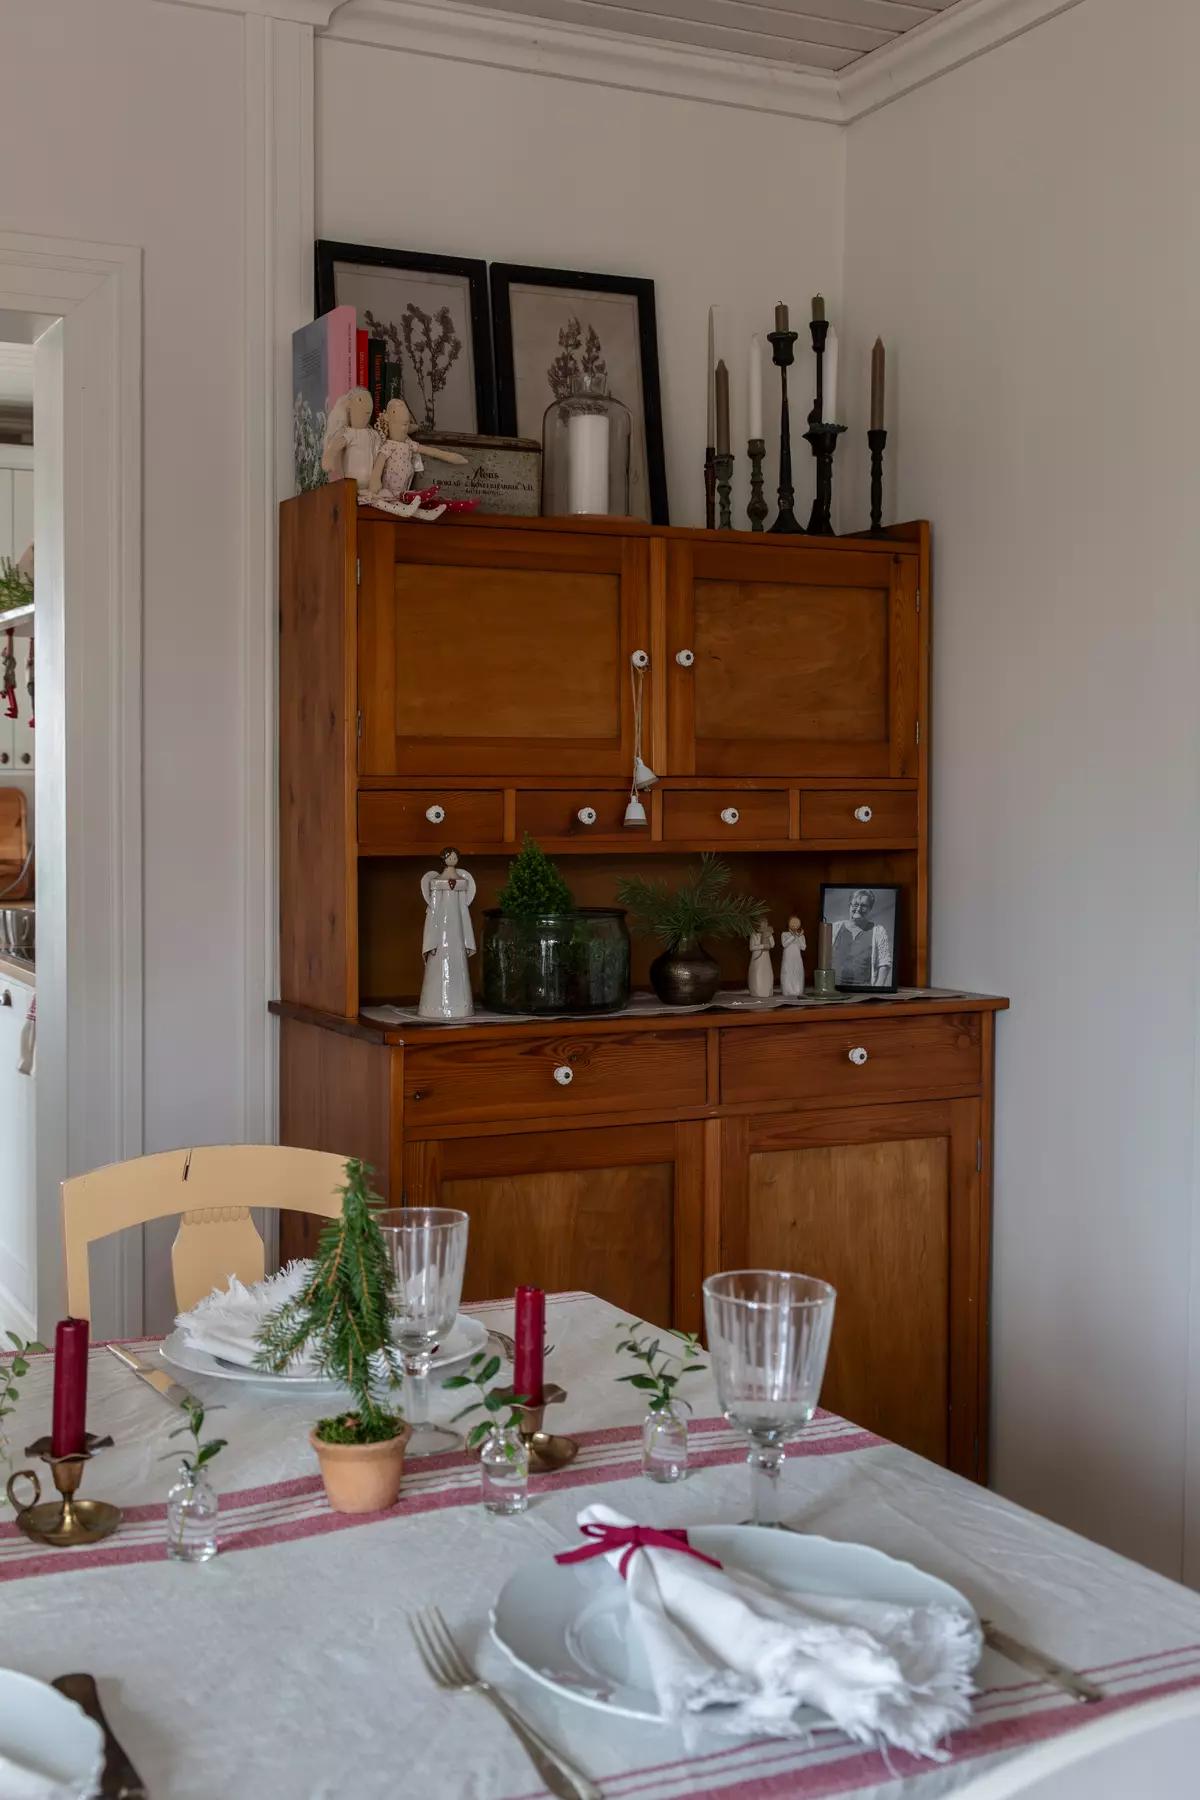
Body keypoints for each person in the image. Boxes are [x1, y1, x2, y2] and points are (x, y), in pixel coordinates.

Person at [831, 889, 892, 988]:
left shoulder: (878, 931)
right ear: (849, 906)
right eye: (855, 904)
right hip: (835, 989)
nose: (858, 908)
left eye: (863, 906)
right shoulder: (834, 928)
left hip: (864, 990)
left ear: (870, 909)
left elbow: (884, 963)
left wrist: (877, 989)